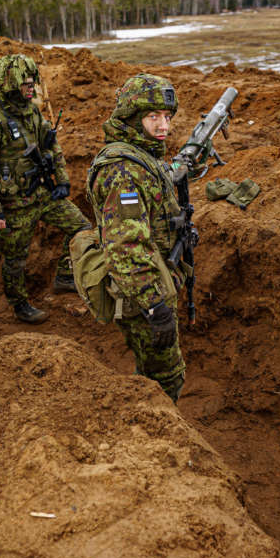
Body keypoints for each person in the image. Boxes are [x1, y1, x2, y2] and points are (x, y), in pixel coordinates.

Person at [86, 73, 186, 402]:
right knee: (165, 376)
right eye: (153, 117)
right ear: (131, 118)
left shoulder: (140, 157)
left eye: (167, 117)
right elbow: (126, 247)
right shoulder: (123, 172)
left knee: (152, 369)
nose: (163, 127)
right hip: (141, 294)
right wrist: (156, 306)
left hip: (149, 282)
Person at [0, 53, 89, 323]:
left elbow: (52, 147)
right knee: (15, 257)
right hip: (15, 202)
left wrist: (61, 181)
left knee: (81, 227)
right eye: (26, 83)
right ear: (10, 83)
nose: (31, 88)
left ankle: (64, 275)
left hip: (43, 194)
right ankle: (19, 304)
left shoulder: (32, 112)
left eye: (32, 83)